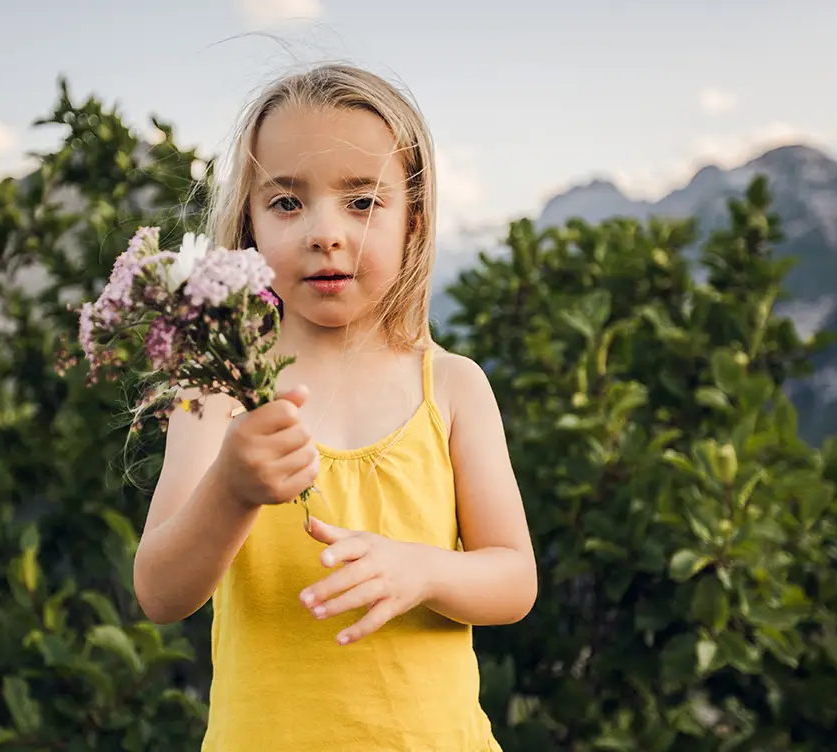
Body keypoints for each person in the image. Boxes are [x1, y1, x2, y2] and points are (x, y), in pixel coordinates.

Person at [132, 62, 537, 751]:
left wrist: (424, 569)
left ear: (413, 221)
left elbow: (514, 577)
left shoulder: (453, 387)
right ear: (251, 222)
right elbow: (161, 593)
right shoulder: (217, 396)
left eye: (362, 201)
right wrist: (231, 489)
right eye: (287, 202)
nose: (324, 231)